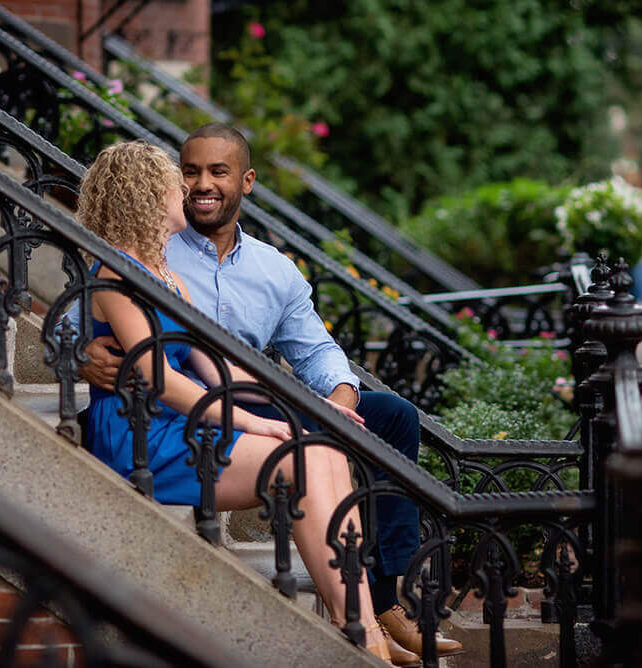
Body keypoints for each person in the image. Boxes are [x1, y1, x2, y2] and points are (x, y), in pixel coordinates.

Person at [75, 126, 463, 664]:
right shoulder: (126, 266)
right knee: (304, 457)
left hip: (222, 399)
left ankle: (372, 615)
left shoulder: (240, 269)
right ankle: (364, 633)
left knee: (371, 425)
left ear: (247, 182)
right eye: (182, 178)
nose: (193, 189)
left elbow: (250, 359)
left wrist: (310, 405)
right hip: (156, 418)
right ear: (150, 196)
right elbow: (146, 366)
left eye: (215, 173)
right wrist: (80, 353)